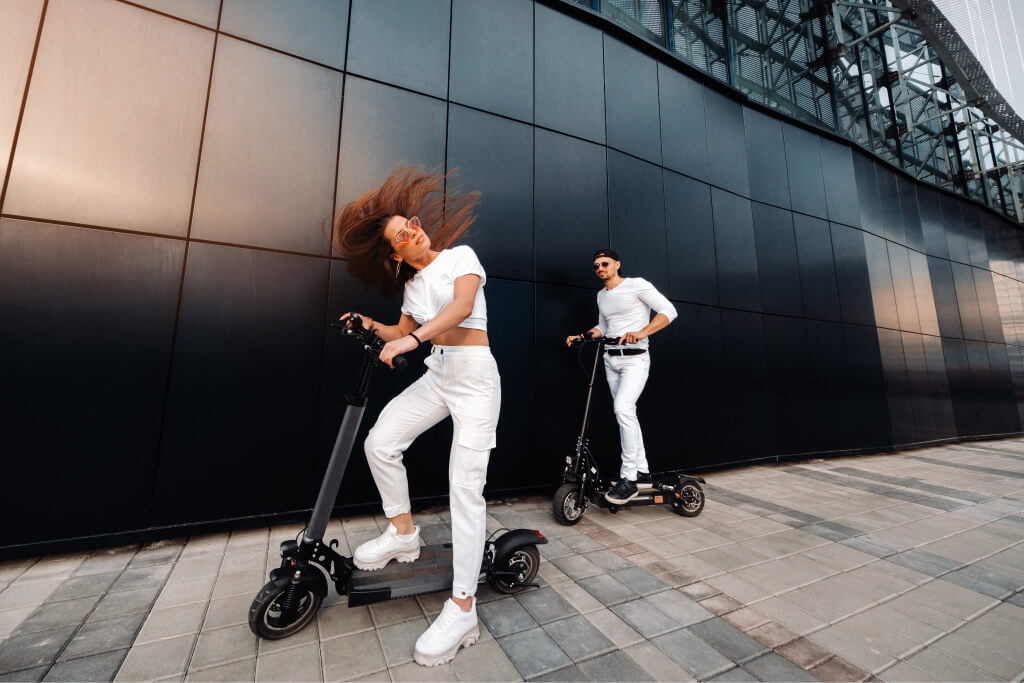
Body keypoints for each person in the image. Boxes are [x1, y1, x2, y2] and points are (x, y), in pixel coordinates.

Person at [332, 166, 499, 667]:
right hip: (438, 375)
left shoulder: (459, 258)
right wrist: (370, 324)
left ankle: (463, 608)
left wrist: (412, 338)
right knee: (380, 442)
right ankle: (404, 535)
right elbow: (397, 329)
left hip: (474, 380)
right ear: (394, 254)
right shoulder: (412, 288)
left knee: (464, 491)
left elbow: (462, 307)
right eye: (400, 236)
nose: (412, 231)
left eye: (410, 224)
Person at [564, 248, 677, 505]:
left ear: (617, 264)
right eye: (595, 266)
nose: (600, 268)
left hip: (635, 358)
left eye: (604, 263)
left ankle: (629, 480)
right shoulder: (601, 296)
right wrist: (583, 336)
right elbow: (604, 326)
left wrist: (642, 331)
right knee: (627, 413)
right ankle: (642, 470)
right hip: (610, 359)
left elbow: (669, 311)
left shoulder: (637, 285)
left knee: (622, 408)